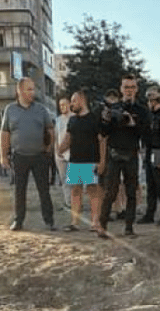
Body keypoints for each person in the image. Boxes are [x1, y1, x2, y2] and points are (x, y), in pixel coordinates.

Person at [0, 77, 56, 231]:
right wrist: (3, 155)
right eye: (29, 89)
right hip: (19, 156)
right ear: (19, 90)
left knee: (44, 190)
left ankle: (49, 221)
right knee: (19, 190)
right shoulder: (10, 110)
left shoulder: (41, 109)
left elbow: (50, 129)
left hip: (39, 156)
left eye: (33, 89)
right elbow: (4, 134)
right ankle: (18, 221)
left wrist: (49, 148)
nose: (33, 92)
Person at [97, 75, 148, 237]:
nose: (129, 90)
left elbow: (146, 134)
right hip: (114, 154)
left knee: (131, 192)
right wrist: (105, 120)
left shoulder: (142, 110)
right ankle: (102, 226)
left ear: (137, 89)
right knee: (110, 192)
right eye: (126, 87)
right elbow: (103, 133)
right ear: (121, 89)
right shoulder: (113, 108)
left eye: (132, 87)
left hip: (132, 154)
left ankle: (129, 228)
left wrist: (134, 124)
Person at [57, 89, 104, 233]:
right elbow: (68, 138)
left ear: (82, 100)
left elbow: (102, 141)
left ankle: (95, 222)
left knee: (93, 191)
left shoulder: (95, 118)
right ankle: (75, 223)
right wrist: (59, 150)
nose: (71, 104)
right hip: (74, 161)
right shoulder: (72, 120)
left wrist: (102, 161)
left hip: (91, 161)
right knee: (75, 191)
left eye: (74, 101)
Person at [139, 86, 160, 225]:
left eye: (150, 99)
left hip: (158, 152)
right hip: (150, 152)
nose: (148, 102)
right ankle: (150, 214)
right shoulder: (151, 116)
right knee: (151, 186)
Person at [55, 96, 72, 208]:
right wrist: (57, 150)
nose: (62, 107)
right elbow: (56, 136)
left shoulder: (74, 118)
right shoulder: (58, 120)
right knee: (64, 179)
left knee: (74, 180)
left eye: (64, 104)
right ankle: (68, 202)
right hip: (60, 155)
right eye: (60, 105)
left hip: (73, 153)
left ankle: (76, 202)